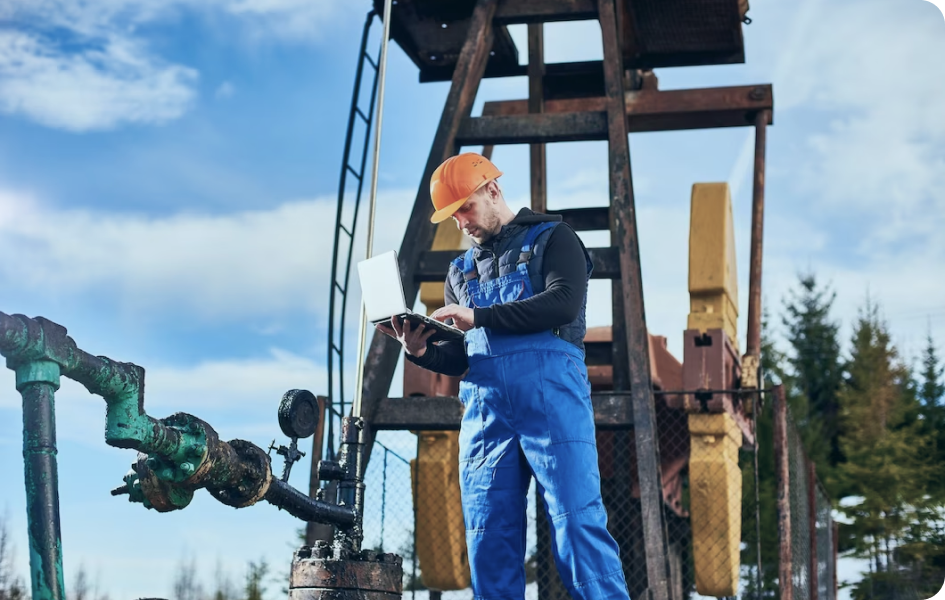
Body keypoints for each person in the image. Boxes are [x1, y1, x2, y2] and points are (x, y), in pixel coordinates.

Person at [377, 152, 631, 600]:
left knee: (577, 525)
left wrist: (480, 316)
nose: (462, 223)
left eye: (466, 209)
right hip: (486, 415)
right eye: (453, 217)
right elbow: (464, 356)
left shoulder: (555, 238)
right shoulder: (459, 272)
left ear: (492, 190)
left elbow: (563, 303)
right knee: (489, 537)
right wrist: (421, 352)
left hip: (552, 401)